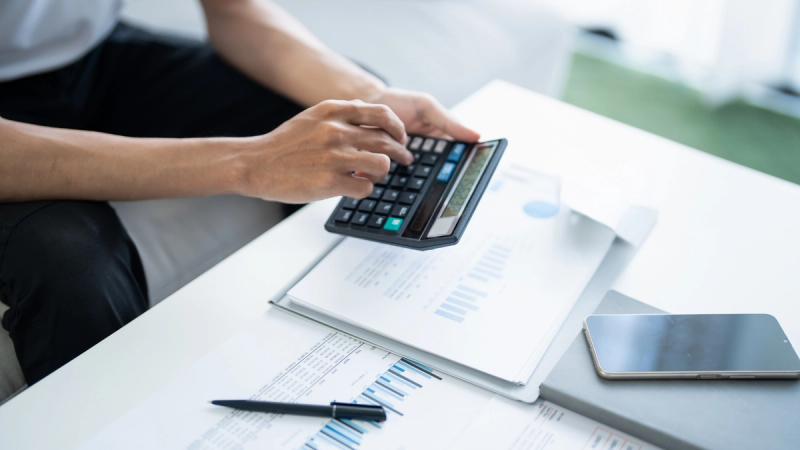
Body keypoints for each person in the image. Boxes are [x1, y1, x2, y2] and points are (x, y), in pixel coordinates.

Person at [0, 0, 479, 385]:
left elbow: (234, 9)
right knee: (72, 265)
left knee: (345, 125)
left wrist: (369, 96)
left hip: (91, 55)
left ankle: (366, 335)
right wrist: (248, 163)